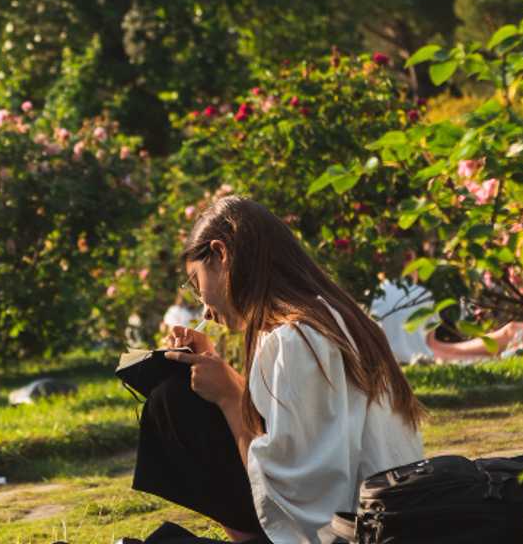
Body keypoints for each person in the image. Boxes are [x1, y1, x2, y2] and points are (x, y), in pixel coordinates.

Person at [134, 196, 426, 544]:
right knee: (179, 396)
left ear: (221, 254)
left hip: (352, 534)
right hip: (385, 521)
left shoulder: (295, 339)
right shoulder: (332, 318)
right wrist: (221, 375)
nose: (205, 310)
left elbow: (300, 498)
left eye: (197, 284)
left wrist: (229, 398)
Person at [370, 279, 523, 365]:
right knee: (512, 334)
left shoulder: (375, 294)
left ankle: (520, 336)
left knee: (510, 334)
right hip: (430, 353)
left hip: (407, 354)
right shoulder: (420, 294)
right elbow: (432, 344)